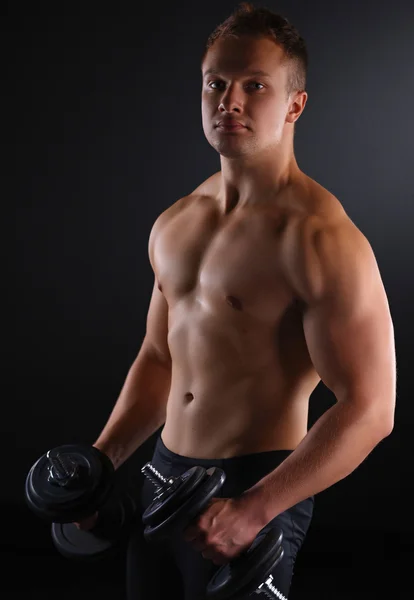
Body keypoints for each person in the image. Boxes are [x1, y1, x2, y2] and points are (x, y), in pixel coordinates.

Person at [85, 3, 396, 598]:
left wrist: (255, 509)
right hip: (162, 475)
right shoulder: (177, 223)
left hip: (255, 485)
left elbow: (371, 408)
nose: (230, 100)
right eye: (216, 83)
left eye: (255, 85)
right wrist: (100, 464)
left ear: (294, 105)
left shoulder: (321, 240)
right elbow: (158, 359)